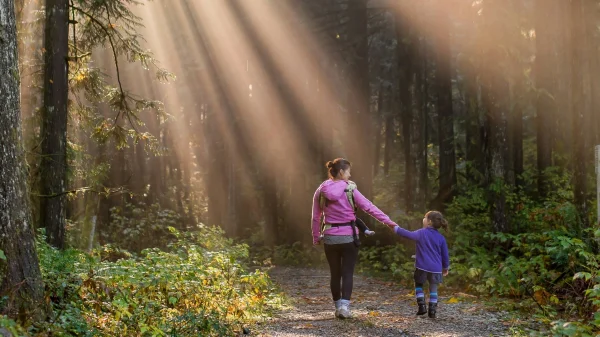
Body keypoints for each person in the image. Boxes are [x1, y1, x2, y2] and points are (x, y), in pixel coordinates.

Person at [311, 158, 399, 319]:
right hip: (349, 237)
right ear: (341, 172)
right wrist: (389, 222)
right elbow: (369, 207)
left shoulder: (321, 190)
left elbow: (316, 217)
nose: (350, 175)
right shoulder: (350, 189)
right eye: (349, 171)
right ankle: (345, 307)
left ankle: (337, 307)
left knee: (335, 273)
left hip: (330, 237)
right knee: (347, 273)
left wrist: (316, 237)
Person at [388, 211, 450, 318]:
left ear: (429, 222)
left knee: (418, 285)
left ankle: (422, 306)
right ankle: (432, 310)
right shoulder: (441, 238)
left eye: (424, 217)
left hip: (422, 267)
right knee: (433, 288)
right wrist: (445, 267)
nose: (423, 219)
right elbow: (445, 255)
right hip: (435, 269)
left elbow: (407, 234)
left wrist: (395, 228)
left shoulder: (421, 233)